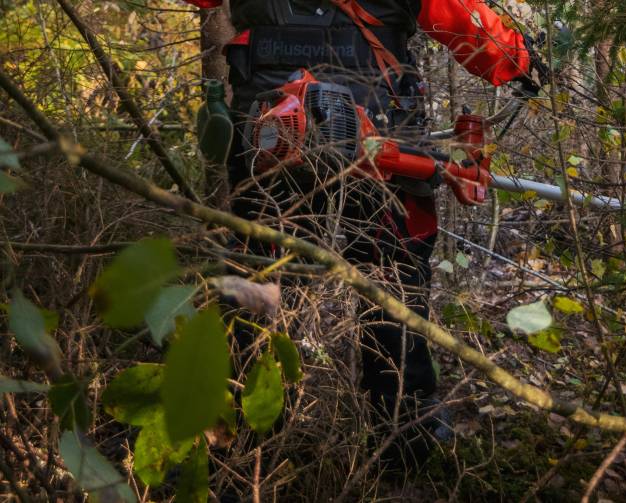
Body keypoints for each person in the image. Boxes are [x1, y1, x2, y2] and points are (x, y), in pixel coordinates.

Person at [184, 0, 544, 467]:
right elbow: (465, 23)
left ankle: (239, 442)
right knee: (395, 272)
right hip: (365, 118)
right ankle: (404, 432)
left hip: (272, 125)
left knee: (259, 266)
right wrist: (518, 59)